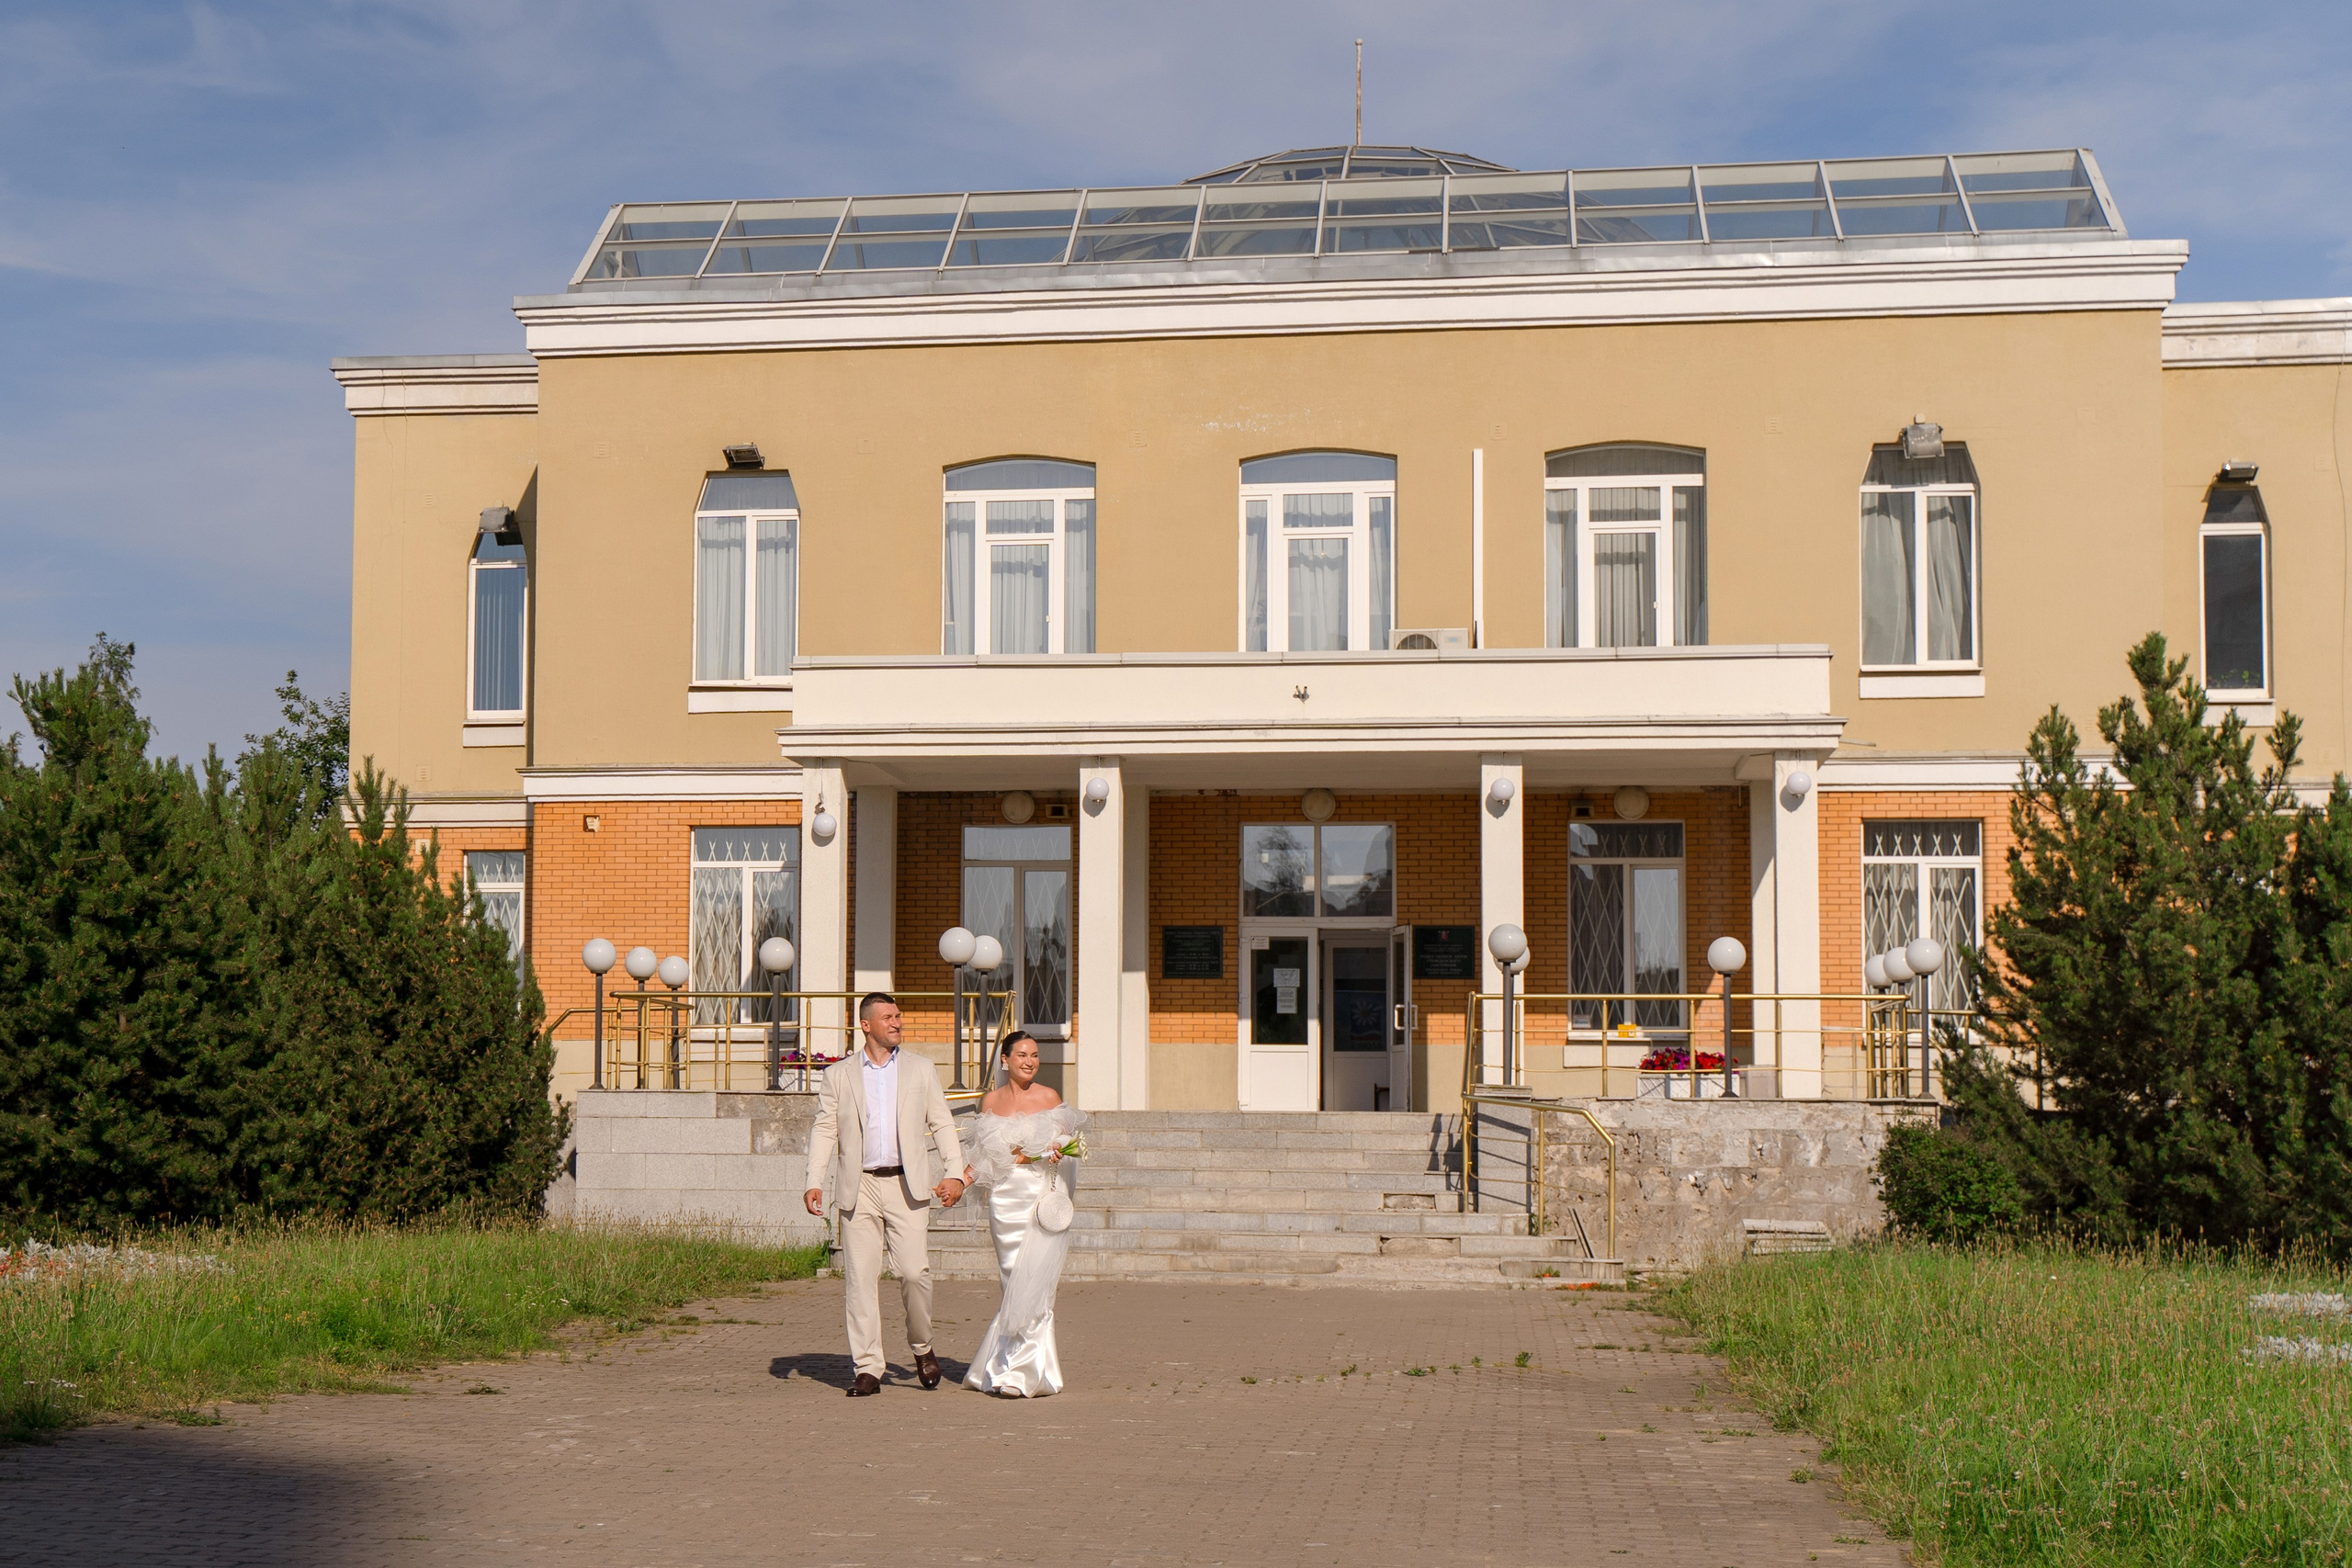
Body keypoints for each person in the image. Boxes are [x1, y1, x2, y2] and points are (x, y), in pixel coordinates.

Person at [804, 992, 967, 1396]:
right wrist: (813, 1179)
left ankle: (922, 1346)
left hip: (905, 1187)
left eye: (898, 1016)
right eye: (888, 1017)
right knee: (859, 1280)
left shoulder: (920, 1069)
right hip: (857, 1187)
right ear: (866, 1025)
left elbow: (943, 1123)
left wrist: (955, 1173)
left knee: (914, 1273)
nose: (897, 1022)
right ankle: (868, 1367)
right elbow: (825, 1128)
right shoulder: (838, 1075)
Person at [963, 1030, 1087, 1398]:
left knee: (1036, 1284)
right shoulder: (990, 1101)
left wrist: (1055, 1151)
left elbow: (1068, 1145)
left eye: (1035, 1055)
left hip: (1039, 1198)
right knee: (1012, 1282)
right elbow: (983, 1157)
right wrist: (960, 1182)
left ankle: (1022, 1374)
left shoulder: (1050, 1097)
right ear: (1005, 1059)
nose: (1030, 1061)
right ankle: (1005, 1366)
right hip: (1004, 1201)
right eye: (1021, 1055)